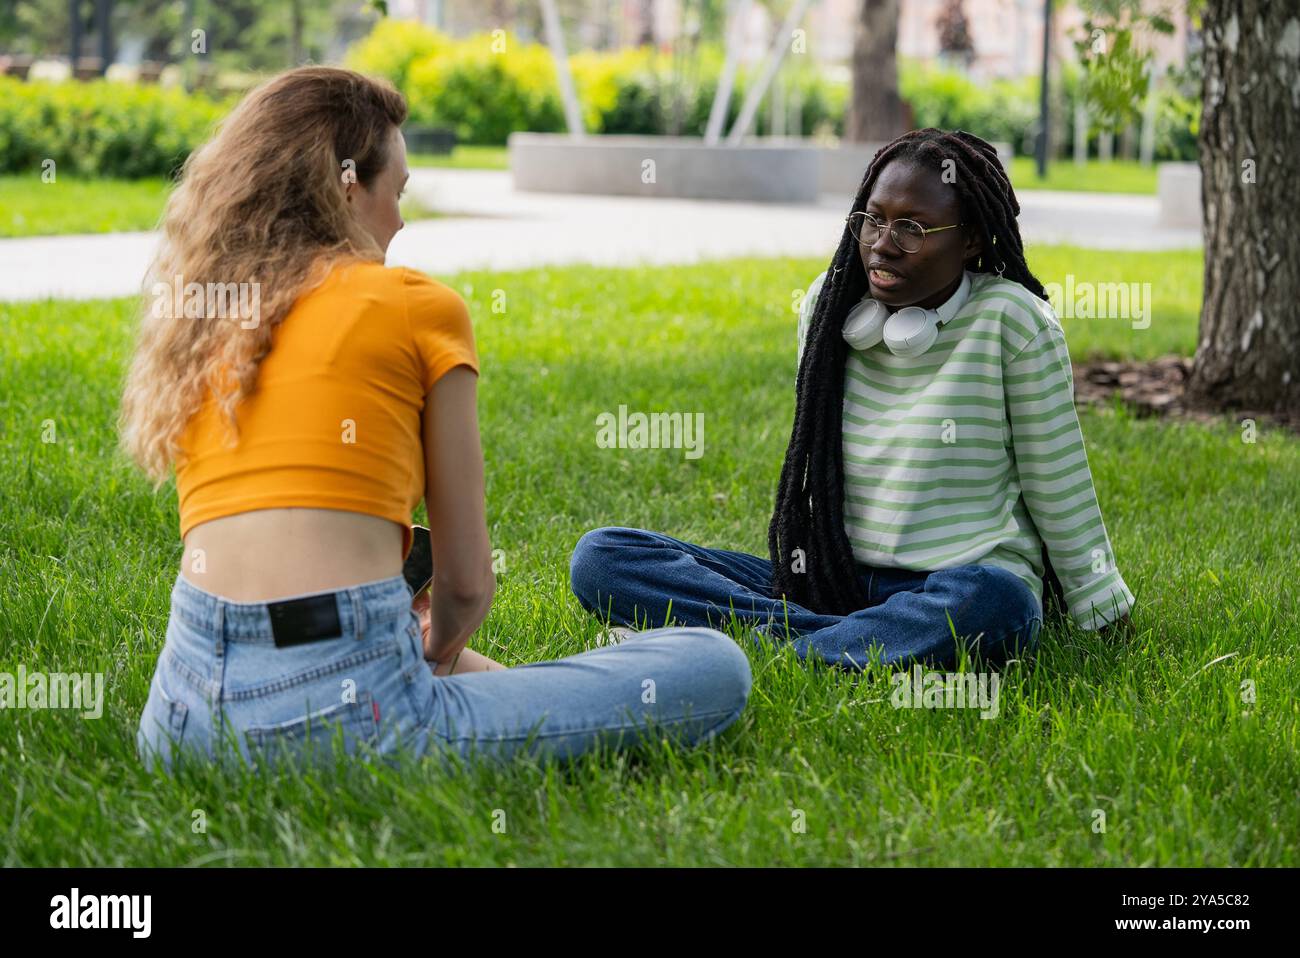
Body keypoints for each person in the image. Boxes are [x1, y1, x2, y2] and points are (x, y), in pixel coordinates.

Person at [122, 67, 750, 773]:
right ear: (349, 185)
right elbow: (464, 586)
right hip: (346, 719)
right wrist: (439, 646)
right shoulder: (417, 307)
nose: (400, 218)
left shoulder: (210, 327)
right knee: (712, 665)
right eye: (400, 192)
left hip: (179, 721)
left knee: (453, 659)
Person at [571, 129, 1134, 671]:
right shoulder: (830, 305)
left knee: (997, 604)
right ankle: (841, 643)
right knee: (604, 557)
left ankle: (735, 643)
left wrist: (1099, 604)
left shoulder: (1013, 322)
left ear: (972, 239)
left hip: (955, 584)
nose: (883, 244)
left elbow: (1056, 480)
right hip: (833, 582)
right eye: (873, 220)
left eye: (913, 227)